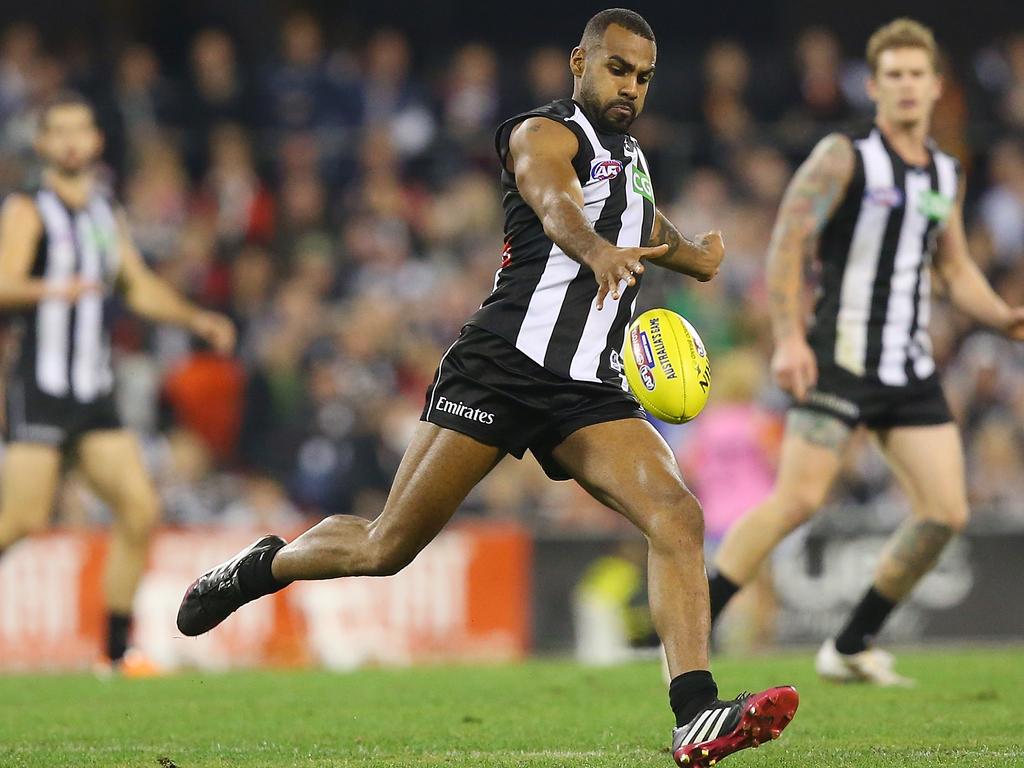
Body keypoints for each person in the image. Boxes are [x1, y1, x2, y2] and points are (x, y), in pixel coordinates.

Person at [177, 9, 797, 767]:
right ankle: (258, 569)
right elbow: (556, 201)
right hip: (501, 368)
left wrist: (688, 254)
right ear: (580, 62)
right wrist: (595, 250)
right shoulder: (541, 132)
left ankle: (694, 713)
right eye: (618, 69)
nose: (631, 86)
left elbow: (632, 212)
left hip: (586, 390)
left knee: (677, 514)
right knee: (386, 546)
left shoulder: (630, 156)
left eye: (643, 76)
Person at [706, 18, 1024, 686]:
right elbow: (789, 241)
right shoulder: (844, 157)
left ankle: (850, 644)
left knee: (946, 512)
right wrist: (791, 337)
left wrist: (1002, 316)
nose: (907, 86)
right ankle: (688, 623)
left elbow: (954, 266)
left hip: (908, 369)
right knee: (797, 499)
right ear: (876, 86)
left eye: (918, 74)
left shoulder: (944, 172)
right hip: (840, 359)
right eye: (894, 75)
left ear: (936, 86)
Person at [0, 91, 236, 672]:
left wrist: (194, 317)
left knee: (138, 508)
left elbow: (137, 286)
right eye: (61, 132)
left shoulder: (105, 210)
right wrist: (54, 290)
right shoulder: (29, 208)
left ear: (97, 141)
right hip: (43, 385)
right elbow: (4, 283)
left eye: (82, 130)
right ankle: (115, 650)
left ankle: (114, 652)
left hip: (93, 392)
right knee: (23, 520)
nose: (73, 141)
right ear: (44, 143)